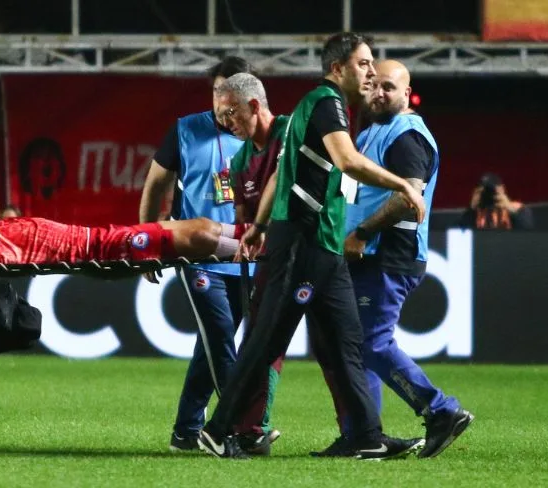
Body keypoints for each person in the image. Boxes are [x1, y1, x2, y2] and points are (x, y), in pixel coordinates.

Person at [197, 32, 427, 460]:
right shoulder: (326, 102)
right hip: (303, 239)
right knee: (267, 338)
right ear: (338, 69)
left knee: (346, 340)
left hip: (324, 244)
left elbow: (278, 175)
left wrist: (258, 224)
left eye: (373, 64)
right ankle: (217, 428)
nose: (372, 72)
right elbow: (348, 161)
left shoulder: (315, 108)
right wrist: (405, 187)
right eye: (363, 64)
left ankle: (366, 435)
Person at [311, 60, 473, 458]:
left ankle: (441, 410)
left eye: (389, 87)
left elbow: (408, 196)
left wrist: (362, 232)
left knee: (370, 342)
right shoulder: (372, 132)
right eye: (374, 86)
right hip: (365, 253)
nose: (379, 93)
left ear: (407, 91)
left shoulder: (407, 136)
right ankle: (363, 435)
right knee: (354, 344)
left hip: (387, 254)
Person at [139, 56, 279, 455]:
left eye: (228, 92)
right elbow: (154, 187)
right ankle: (237, 426)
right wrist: (147, 241)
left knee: (211, 346)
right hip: (196, 255)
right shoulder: (186, 129)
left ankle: (186, 431)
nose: (221, 101)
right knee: (219, 338)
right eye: (216, 90)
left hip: (242, 256)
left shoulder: (258, 136)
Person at [0, 169, 238, 266]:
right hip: (97, 252)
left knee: (192, 227)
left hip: (97, 240)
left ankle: (249, 234)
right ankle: (249, 249)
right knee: (193, 237)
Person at [213, 73, 288, 452]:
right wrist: (243, 238)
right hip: (274, 264)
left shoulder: (292, 131)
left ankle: (362, 432)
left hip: (317, 255)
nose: (227, 124)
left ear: (254, 106)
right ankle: (250, 429)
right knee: (260, 343)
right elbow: (243, 218)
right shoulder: (239, 160)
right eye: (222, 117)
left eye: (231, 114)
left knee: (343, 349)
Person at [459, 173, 533, 230]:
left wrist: (511, 210)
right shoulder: (474, 212)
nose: (489, 195)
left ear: (503, 189)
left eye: (493, 191)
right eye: (484, 192)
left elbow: (528, 232)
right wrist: (471, 210)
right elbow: (459, 235)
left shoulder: (518, 209)